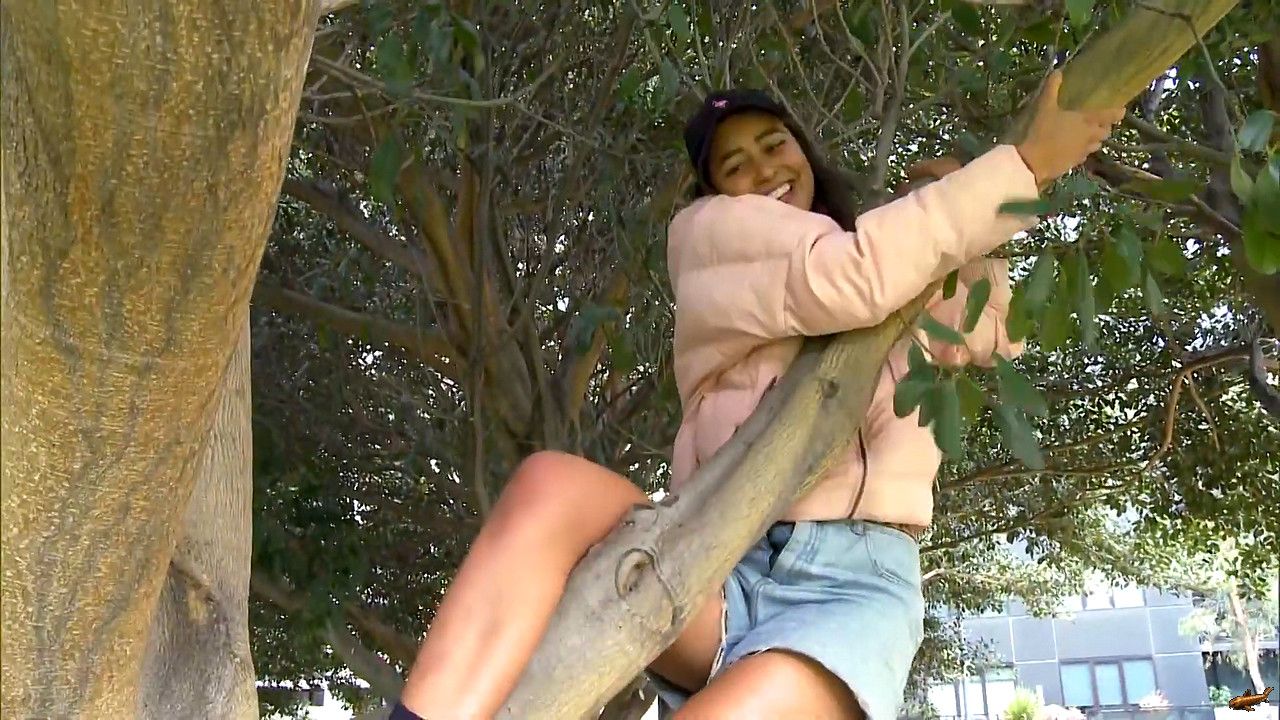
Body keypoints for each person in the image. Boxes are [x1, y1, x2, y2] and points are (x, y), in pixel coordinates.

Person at [389, 69, 1124, 720]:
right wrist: (1022, 166)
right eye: (734, 164)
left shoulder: (886, 260)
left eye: (775, 145)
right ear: (714, 192)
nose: (764, 168)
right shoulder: (714, 238)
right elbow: (850, 278)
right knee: (550, 484)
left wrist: (968, 219)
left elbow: (990, 331)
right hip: (716, 556)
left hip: (849, 592)